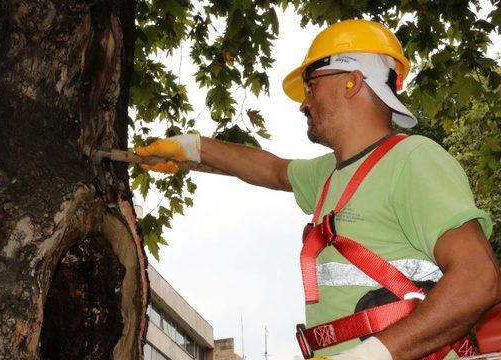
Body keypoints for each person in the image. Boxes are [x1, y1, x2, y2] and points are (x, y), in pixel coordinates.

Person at [136, 19, 500, 359]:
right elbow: (271, 169)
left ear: (352, 82)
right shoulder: (330, 173)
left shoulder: (413, 160)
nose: (304, 104)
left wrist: (367, 356)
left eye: (312, 86)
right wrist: (191, 149)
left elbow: (479, 279)